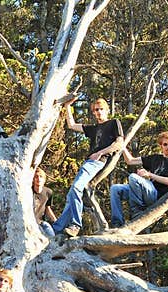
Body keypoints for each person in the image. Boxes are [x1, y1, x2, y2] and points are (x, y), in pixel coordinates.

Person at [51, 95, 124, 237]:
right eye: (95, 110)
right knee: (72, 195)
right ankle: (57, 228)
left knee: (76, 188)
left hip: (97, 162)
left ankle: (75, 225)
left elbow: (119, 144)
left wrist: (99, 153)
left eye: (101, 109)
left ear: (107, 110)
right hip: (89, 163)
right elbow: (72, 125)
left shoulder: (114, 123)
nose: (98, 112)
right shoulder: (94, 128)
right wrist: (67, 106)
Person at [109, 130, 168, 227]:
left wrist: (149, 175)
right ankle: (117, 222)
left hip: (157, 195)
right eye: (165, 144)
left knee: (133, 177)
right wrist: (122, 146)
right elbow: (130, 161)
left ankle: (137, 212)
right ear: (161, 146)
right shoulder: (155, 158)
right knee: (115, 189)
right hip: (146, 190)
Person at [32, 167, 58, 237]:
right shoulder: (28, 191)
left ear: (44, 180)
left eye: (41, 177)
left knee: (52, 237)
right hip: (30, 223)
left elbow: (47, 209)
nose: (39, 179)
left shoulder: (48, 192)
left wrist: (56, 221)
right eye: (36, 177)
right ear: (33, 179)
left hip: (41, 223)